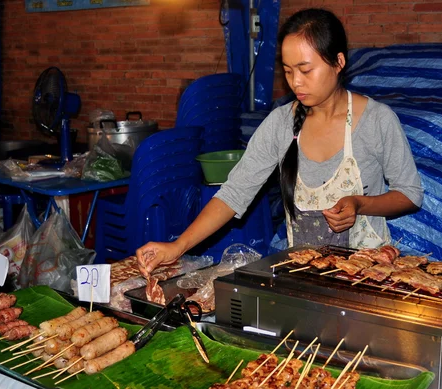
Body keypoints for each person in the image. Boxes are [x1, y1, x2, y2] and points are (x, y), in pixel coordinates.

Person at [136, 8, 423, 276]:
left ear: (338, 62)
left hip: (368, 272)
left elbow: (410, 195)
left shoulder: (376, 120)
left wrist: (360, 204)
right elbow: (233, 194)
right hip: (304, 273)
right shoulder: (280, 124)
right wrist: (178, 246)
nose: (295, 82)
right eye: (287, 71)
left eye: (305, 70)